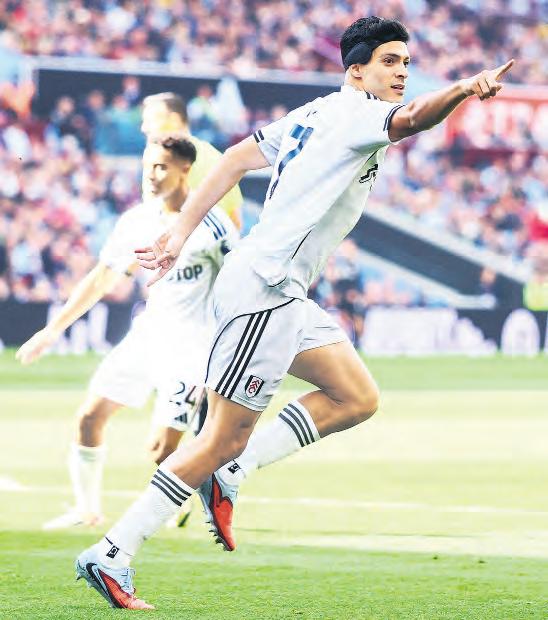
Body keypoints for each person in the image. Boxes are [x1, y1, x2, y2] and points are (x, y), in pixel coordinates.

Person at [75, 16, 514, 610]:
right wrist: (463, 88)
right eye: (389, 61)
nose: (402, 72)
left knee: (355, 396)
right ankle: (112, 551)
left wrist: (179, 233)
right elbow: (412, 120)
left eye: (406, 63)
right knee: (220, 439)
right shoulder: (359, 113)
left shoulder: (314, 113)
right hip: (264, 288)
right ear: (355, 70)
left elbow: (234, 159)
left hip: (282, 291)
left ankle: (233, 473)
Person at [16, 137, 238, 529]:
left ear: (185, 169)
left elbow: (238, 285)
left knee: (160, 451)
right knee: (89, 417)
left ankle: (187, 491)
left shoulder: (214, 223)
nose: (151, 175)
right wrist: (52, 330)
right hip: (148, 335)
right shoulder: (137, 221)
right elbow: (102, 277)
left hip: (193, 347)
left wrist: (226, 351)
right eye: (147, 166)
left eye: (161, 167)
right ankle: (86, 510)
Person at [140, 92, 242, 228]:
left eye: (150, 120)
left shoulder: (162, 159)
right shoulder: (217, 156)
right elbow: (236, 222)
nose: (144, 128)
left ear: (174, 119)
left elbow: (153, 218)